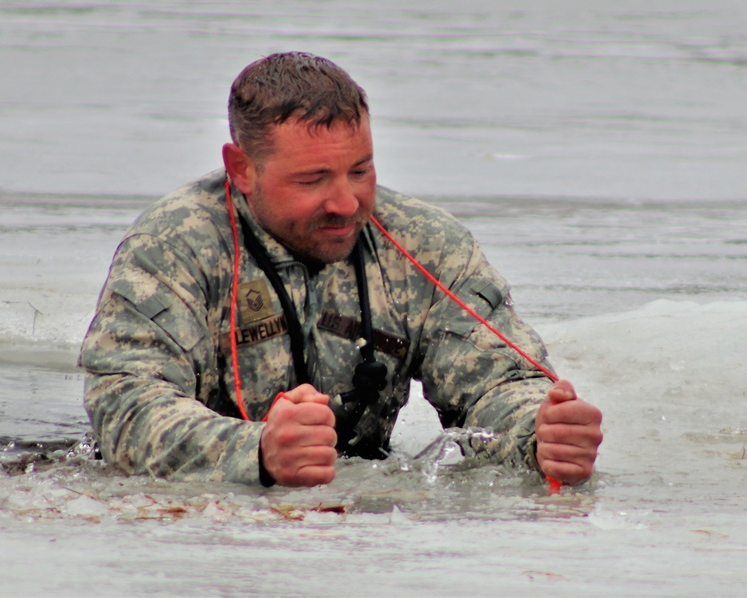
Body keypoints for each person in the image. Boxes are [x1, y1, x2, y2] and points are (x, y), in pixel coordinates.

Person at [78, 52, 602, 488]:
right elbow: (126, 405)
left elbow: (499, 381)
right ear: (242, 169)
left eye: (360, 170)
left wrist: (540, 434)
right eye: (312, 179)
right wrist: (255, 451)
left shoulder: (426, 245)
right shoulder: (173, 246)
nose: (347, 203)